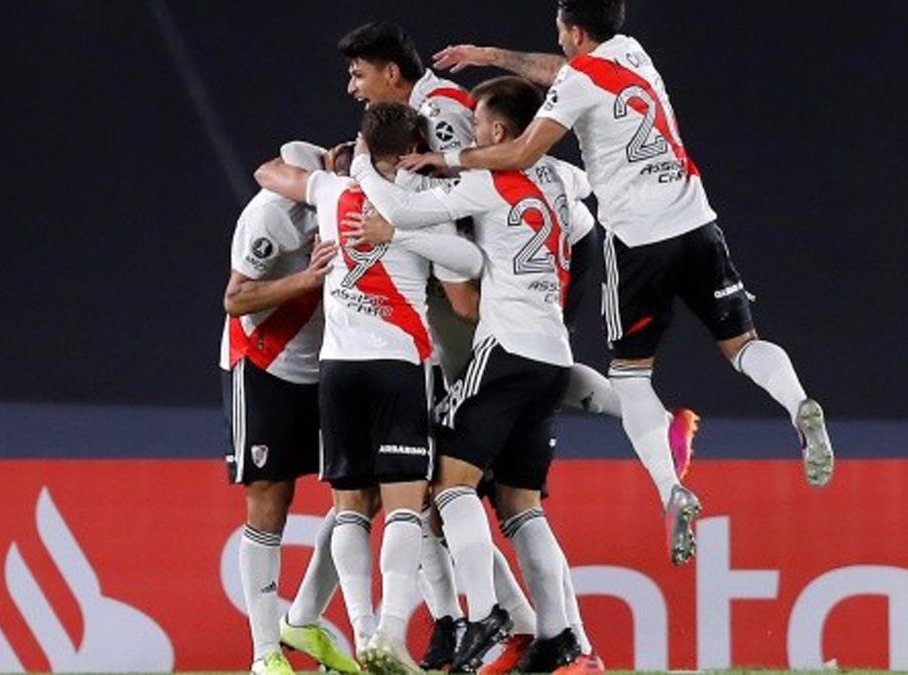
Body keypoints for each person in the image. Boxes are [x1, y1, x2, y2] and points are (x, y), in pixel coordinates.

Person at [404, 0, 835, 566]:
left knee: (631, 377)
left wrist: (450, 158)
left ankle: (671, 490)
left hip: (639, 241)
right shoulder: (631, 53)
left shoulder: (577, 81)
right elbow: (560, 72)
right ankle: (799, 404)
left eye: (560, 28)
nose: (557, 38)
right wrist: (491, 56)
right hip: (697, 222)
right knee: (743, 345)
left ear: (575, 30)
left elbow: (525, 149)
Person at [348, 76, 604, 673]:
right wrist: (449, 162)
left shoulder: (488, 183)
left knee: (450, 485)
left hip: (506, 349)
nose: (471, 132)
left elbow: (400, 210)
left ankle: (485, 615)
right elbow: (584, 187)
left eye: (480, 123)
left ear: (499, 131)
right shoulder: (561, 179)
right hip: (552, 355)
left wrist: (364, 165)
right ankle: (559, 636)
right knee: (520, 505)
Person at [255, 102, 484, 675]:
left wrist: (347, 165)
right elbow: (467, 270)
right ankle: (390, 632)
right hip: (397, 365)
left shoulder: (330, 192)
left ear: (363, 143)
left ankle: (360, 629)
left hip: (338, 369)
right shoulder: (425, 205)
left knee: (350, 507)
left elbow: (269, 173)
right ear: (413, 149)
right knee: (406, 504)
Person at [219, 144, 359, 675]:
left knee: (361, 491)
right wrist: (306, 279)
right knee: (270, 499)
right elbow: (235, 299)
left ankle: (302, 617)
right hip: (266, 364)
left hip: (330, 363)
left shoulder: (361, 202)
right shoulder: (272, 214)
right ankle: (264, 655)